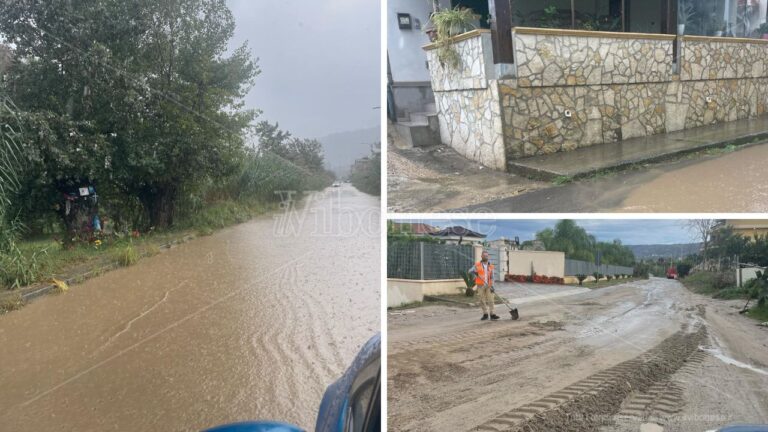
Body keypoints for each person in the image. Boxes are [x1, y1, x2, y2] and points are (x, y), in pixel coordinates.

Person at [469, 250, 500, 321]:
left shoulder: (491, 266)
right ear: (481, 256)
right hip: (480, 285)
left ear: (488, 256)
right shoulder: (477, 265)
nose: (485, 257)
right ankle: (485, 314)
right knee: (482, 300)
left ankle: (492, 314)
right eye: (484, 256)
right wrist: (474, 272)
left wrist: (492, 286)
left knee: (491, 300)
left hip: (489, 285)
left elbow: (492, 277)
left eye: (486, 256)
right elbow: (469, 271)